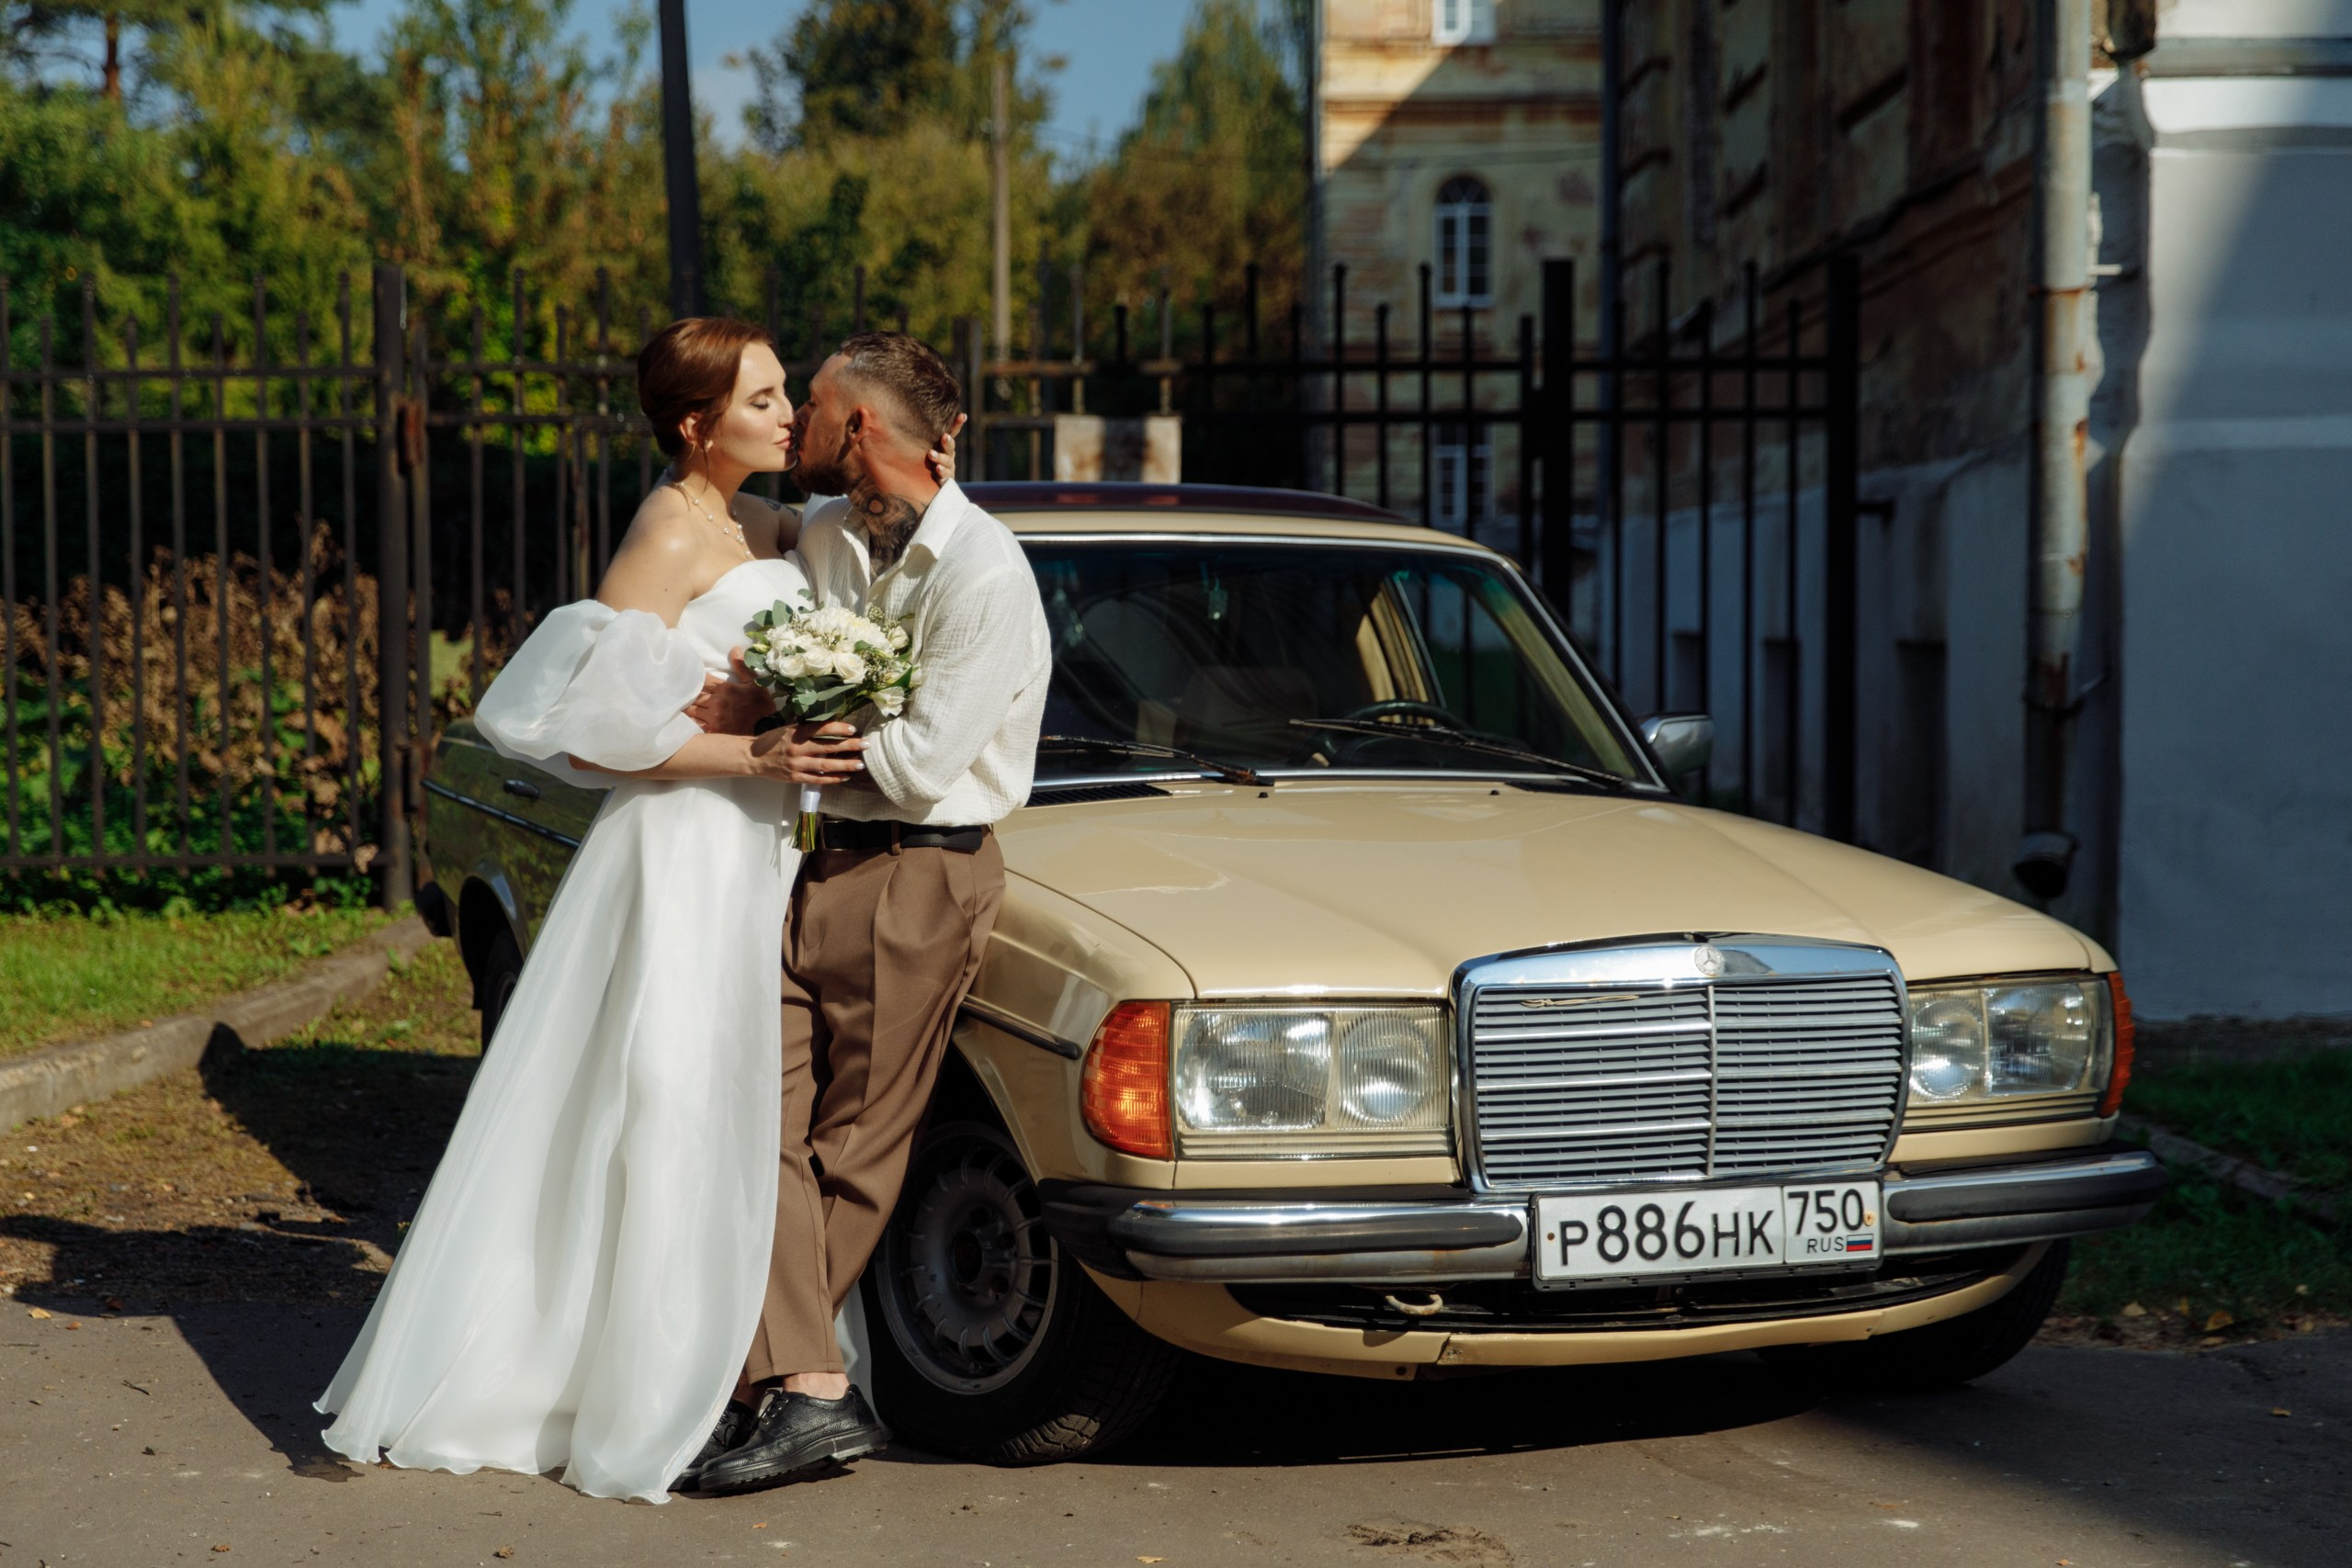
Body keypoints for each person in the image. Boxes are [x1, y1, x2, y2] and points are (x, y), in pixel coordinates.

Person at [312, 317, 945, 1503]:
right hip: (682, 850)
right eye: (761, 399)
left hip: (762, 855)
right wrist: (752, 750)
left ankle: (743, 1372)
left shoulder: (767, 523)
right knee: (665, 1098)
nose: (783, 415)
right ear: (698, 425)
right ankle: (650, 1394)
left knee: (736, 1106)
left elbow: (877, 531)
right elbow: (602, 734)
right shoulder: (665, 532)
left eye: (782, 395)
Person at [684, 333, 1051, 1497]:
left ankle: (776, 1392)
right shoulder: (831, 537)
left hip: (925, 875)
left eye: (813, 409)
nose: (792, 426)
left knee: (855, 1147)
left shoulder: (984, 572)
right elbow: (792, 669)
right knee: (762, 1123)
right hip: (814, 861)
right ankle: (803, 1388)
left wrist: (794, 741)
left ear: (862, 432)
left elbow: (922, 760)